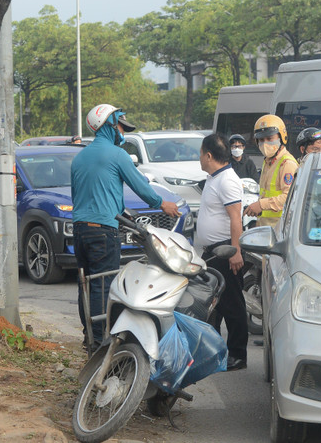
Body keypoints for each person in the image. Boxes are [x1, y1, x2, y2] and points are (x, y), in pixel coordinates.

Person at [71, 104, 181, 349]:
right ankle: (100, 342)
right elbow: (140, 186)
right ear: (108, 125)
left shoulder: (79, 158)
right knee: (103, 284)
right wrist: (162, 204)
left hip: (80, 230)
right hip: (103, 231)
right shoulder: (117, 154)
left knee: (86, 284)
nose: (123, 130)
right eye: (120, 124)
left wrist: (121, 214)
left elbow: (83, 195)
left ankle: (89, 336)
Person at [195, 133, 248, 371]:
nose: (199, 159)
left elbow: (235, 218)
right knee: (212, 305)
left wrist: (235, 251)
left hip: (226, 250)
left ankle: (237, 355)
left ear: (208, 155)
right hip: (212, 252)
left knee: (232, 304)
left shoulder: (227, 179)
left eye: (200, 154)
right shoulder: (213, 178)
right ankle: (214, 352)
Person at [244, 115, 298, 228]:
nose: (265, 144)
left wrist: (261, 205)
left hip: (280, 229)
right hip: (266, 227)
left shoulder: (287, 163)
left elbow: (291, 197)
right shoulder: (268, 161)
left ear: (282, 137)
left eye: (270, 139)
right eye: (261, 140)